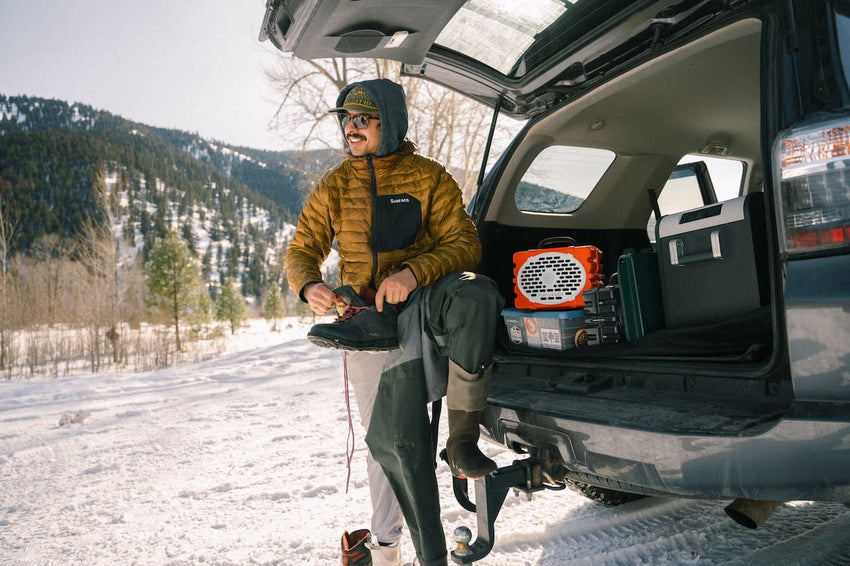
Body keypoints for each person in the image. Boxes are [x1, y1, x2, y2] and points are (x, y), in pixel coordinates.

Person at [285, 78, 504, 566]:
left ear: (391, 122)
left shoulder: (429, 177)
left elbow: (465, 245)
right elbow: (301, 248)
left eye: (363, 119)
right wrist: (309, 286)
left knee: (475, 292)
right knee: (387, 442)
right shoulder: (335, 185)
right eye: (345, 119)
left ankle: (462, 442)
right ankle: (388, 550)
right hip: (366, 324)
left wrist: (412, 272)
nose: (351, 128)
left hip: (427, 308)